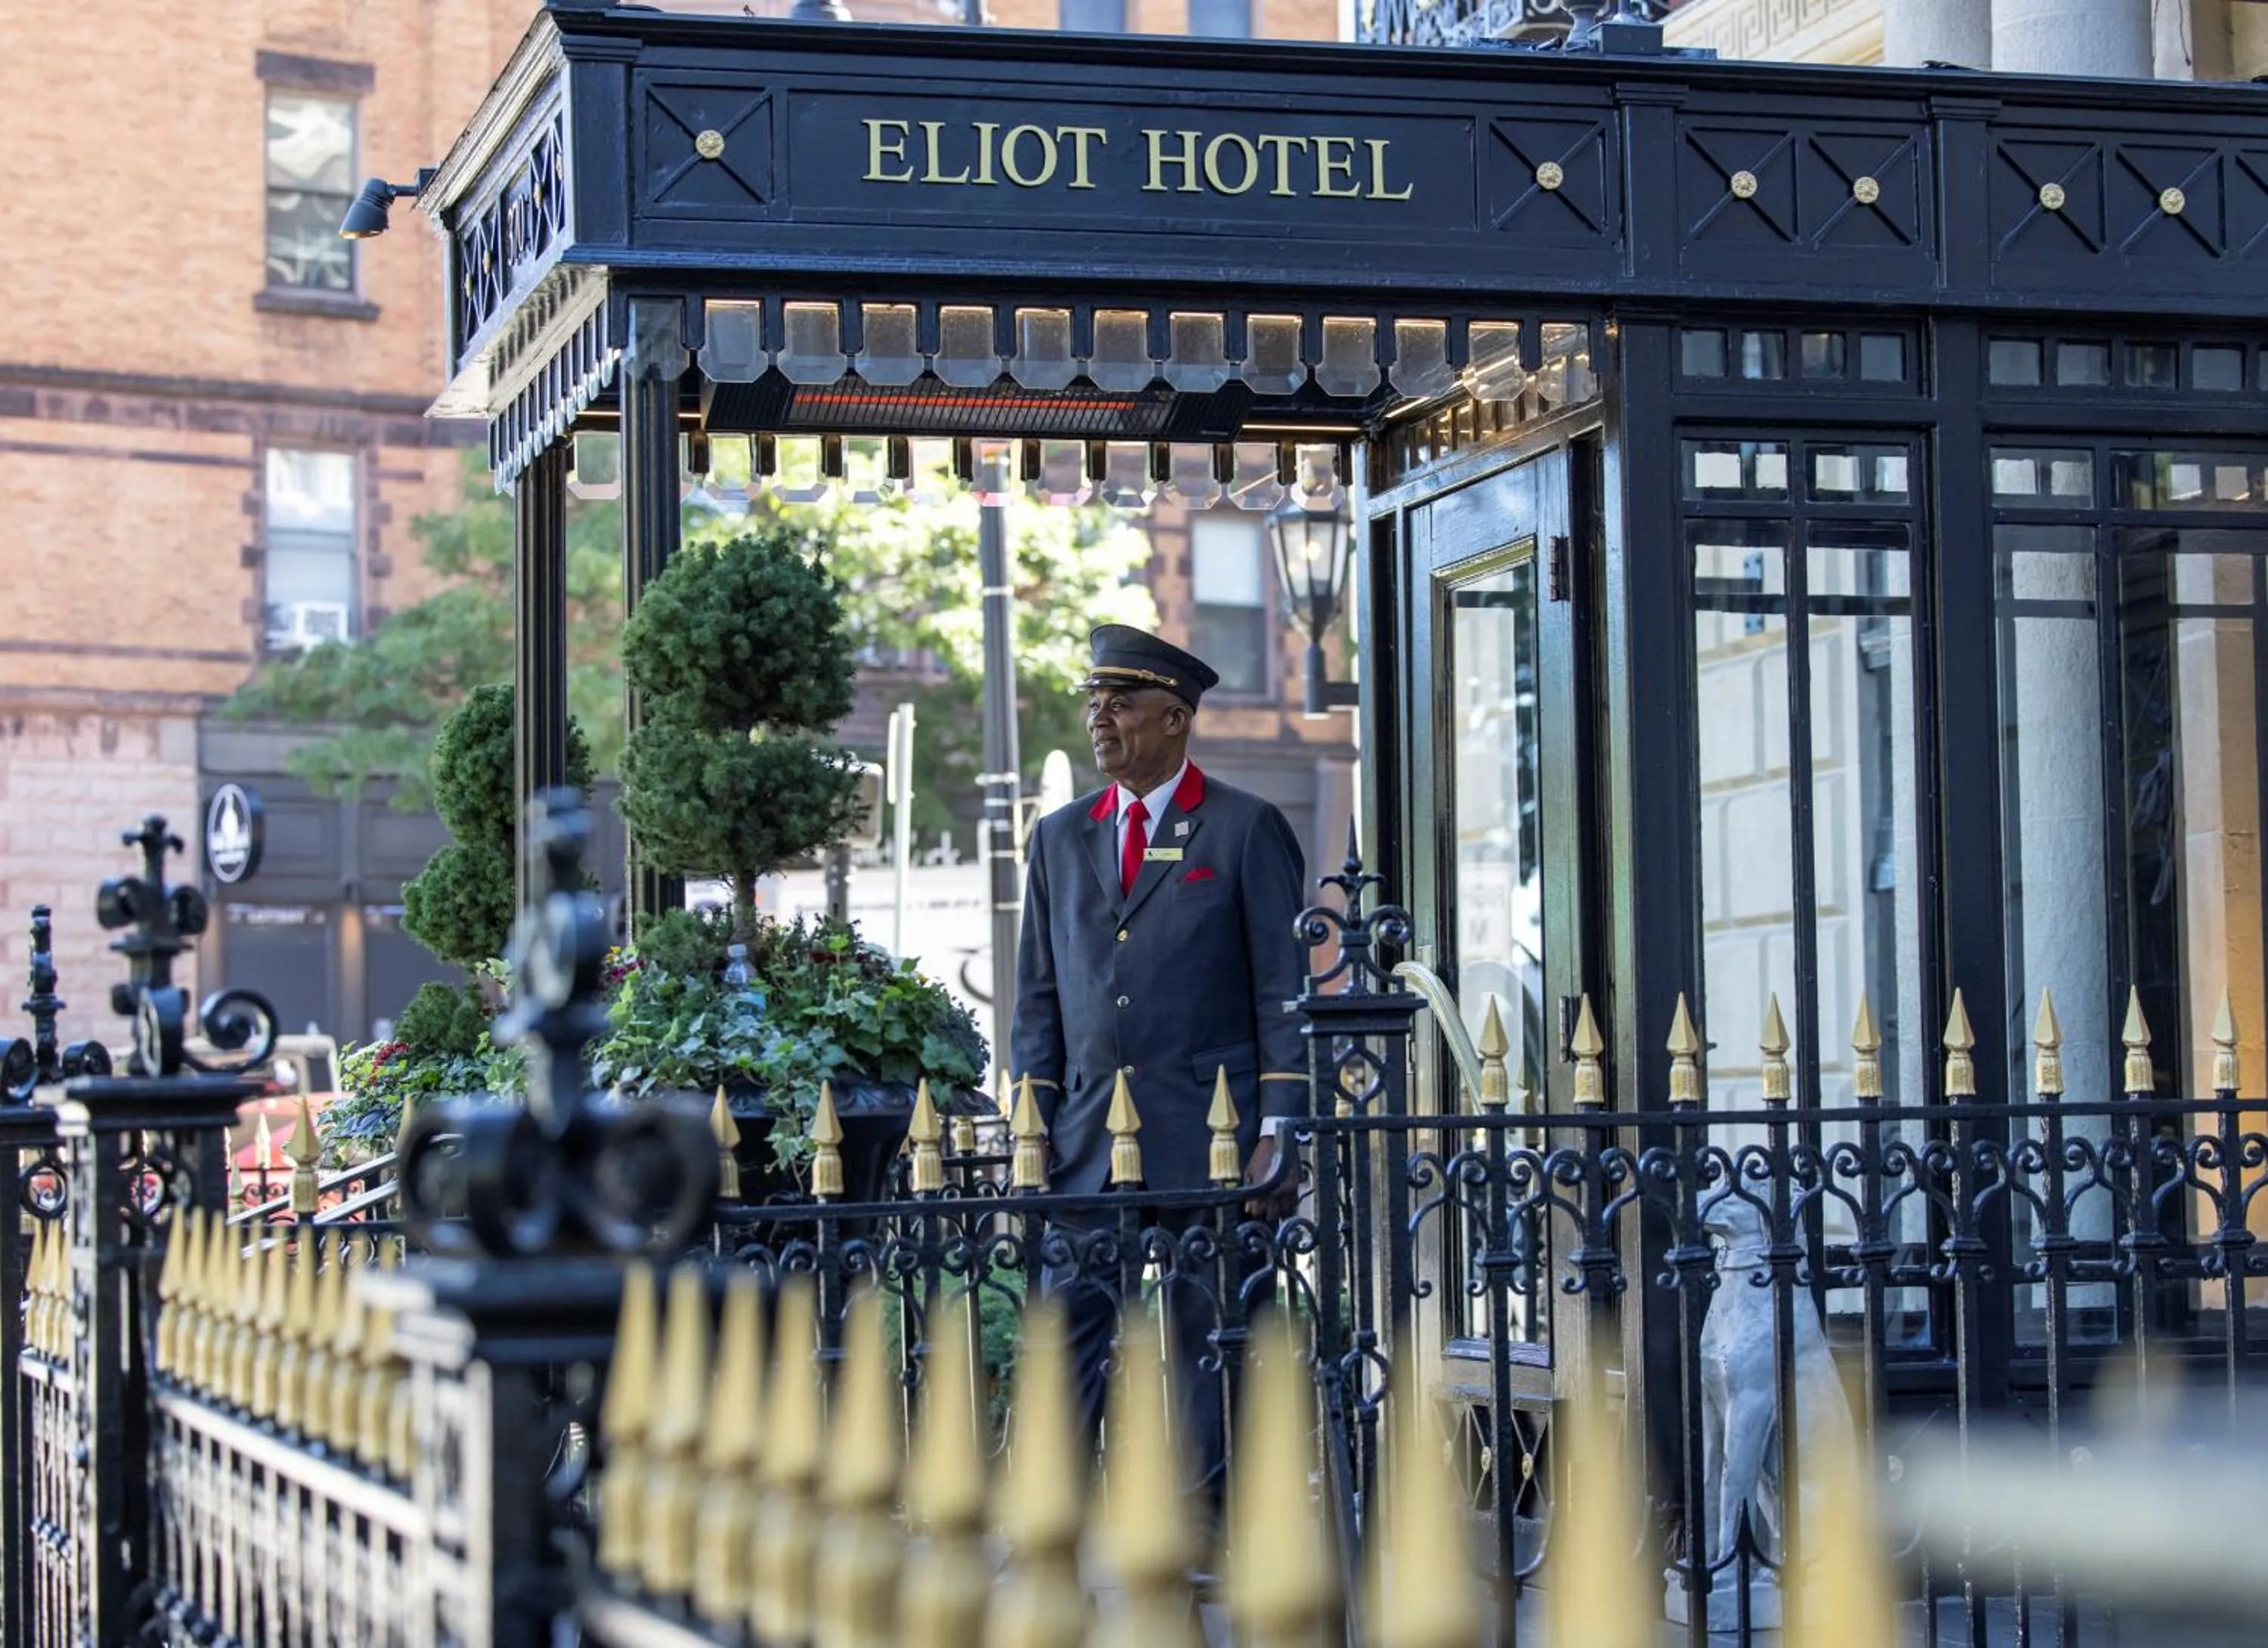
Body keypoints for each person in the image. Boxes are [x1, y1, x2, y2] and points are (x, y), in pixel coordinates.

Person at [1012, 623, 1309, 1497]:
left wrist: (1277, 1130)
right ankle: (1053, 1520)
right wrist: (1032, 1122)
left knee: (1207, 1340)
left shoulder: (1244, 827)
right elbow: (1037, 996)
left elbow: (1282, 992)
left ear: (1175, 717)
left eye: (1122, 704)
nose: (1101, 719)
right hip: (1085, 1144)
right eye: (1093, 702)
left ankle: (1211, 1522)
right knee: (1066, 1331)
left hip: (1212, 1142)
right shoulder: (1059, 838)